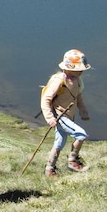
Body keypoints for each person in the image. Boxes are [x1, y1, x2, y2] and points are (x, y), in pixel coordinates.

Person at [40, 49, 91, 177]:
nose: (81, 72)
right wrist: (50, 118)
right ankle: (73, 160)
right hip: (59, 116)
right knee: (81, 135)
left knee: (59, 143)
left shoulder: (76, 80)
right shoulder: (59, 80)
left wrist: (83, 110)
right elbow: (46, 100)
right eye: (78, 69)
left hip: (68, 116)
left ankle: (49, 169)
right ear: (69, 68)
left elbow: (78, 96)